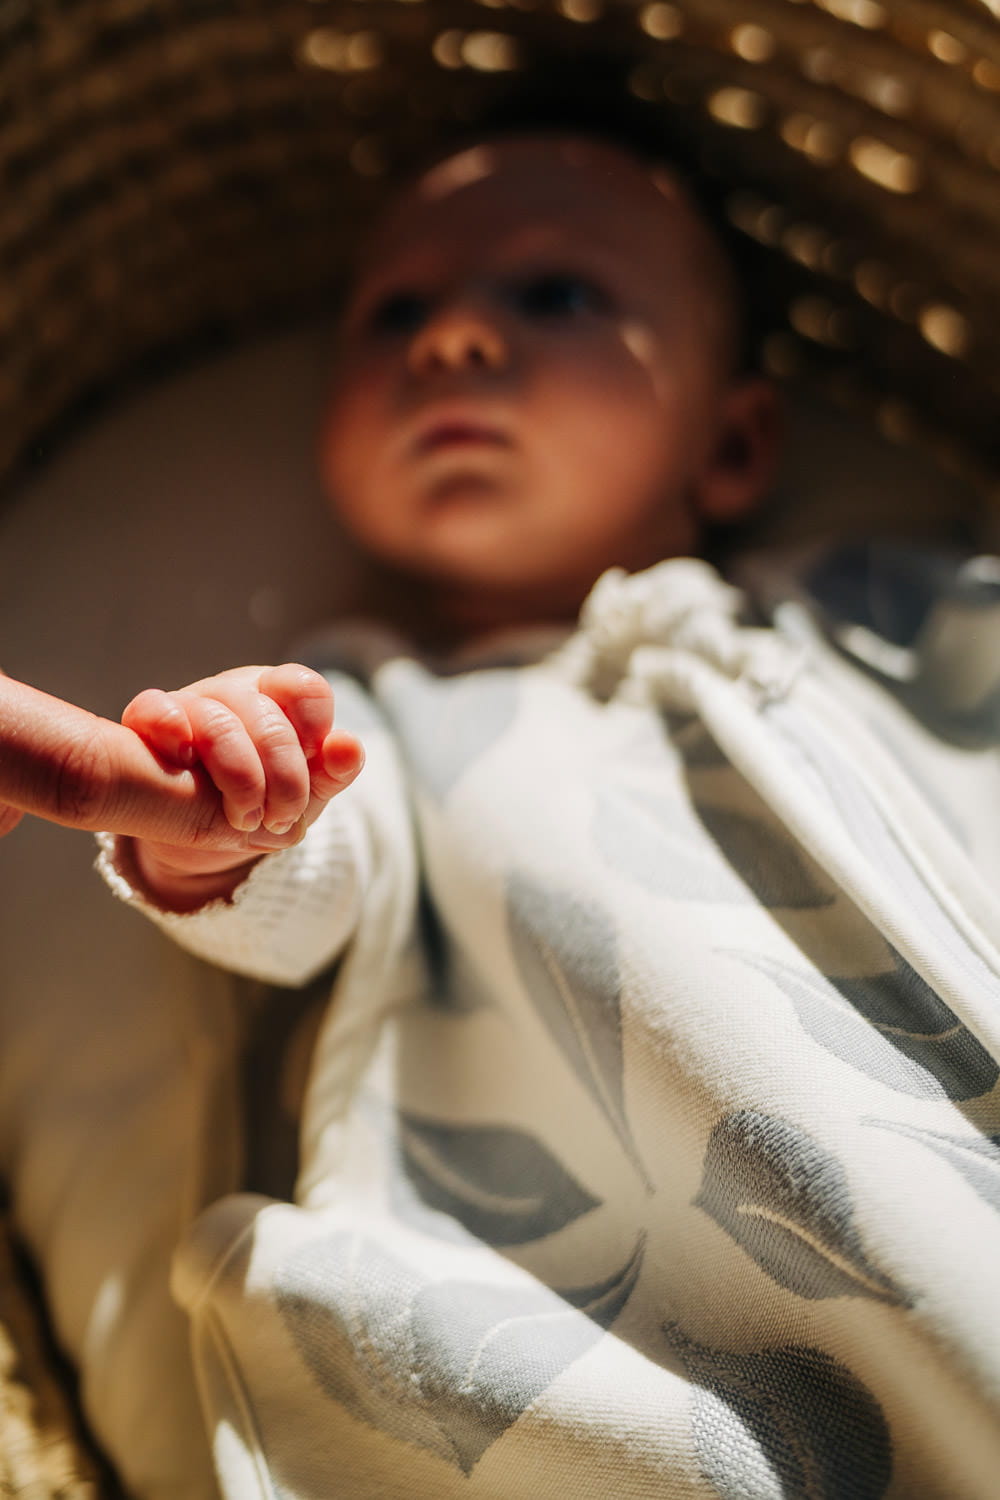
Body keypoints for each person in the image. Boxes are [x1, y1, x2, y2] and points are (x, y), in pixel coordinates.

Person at [49, 133, 1000, 1497]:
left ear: (736, 445)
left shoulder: (865, 608)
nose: (452, 340)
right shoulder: (375, 705)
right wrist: (224, 820)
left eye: (556, 295)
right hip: (661, 1321)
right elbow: (314, 883)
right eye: (395, 313)